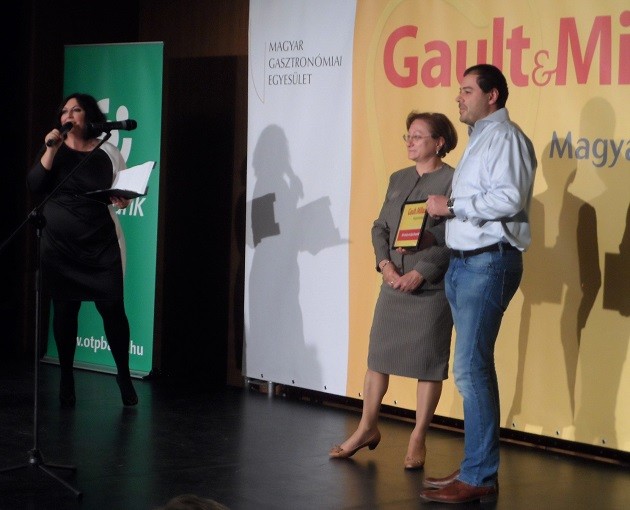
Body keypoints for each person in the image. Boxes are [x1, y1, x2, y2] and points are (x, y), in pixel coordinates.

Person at [422, 64, 537, 504]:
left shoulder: (506, 138)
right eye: (459, 90)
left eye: (467, 90)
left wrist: (452, 207)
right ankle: (476, 464)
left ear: (492, 96)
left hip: (488, 263)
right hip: (466, 263)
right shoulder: (481, 138)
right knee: (473, 369)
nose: (459, 97)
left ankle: (480, 475)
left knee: (471, 370)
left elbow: (509, 198)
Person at [329, 111, 458, 470]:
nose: (410, 142)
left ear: (439, 142)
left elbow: (455, 237)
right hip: (392, 282)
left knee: (429, 364)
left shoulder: (454, 179)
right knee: (377, 358)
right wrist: (385, 265)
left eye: (418, 136)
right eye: (408, 136)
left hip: (430, 288)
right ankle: (367, 427)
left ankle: (418, 437)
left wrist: (422, 272)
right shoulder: (398, 178)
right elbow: (380, 228)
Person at [27, 93, 138, 407]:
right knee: (65, 311)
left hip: (100, 244)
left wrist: (123, 200)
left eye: (76, 109)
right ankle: (66, 377)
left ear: (88, 116)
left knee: (113, 309)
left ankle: (124, 374)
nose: (68, 115)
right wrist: (51, 149)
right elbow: (34, 185)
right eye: (64, 111)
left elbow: (124, 191)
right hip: (60, 247)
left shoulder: (108, 151)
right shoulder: (53, 148)